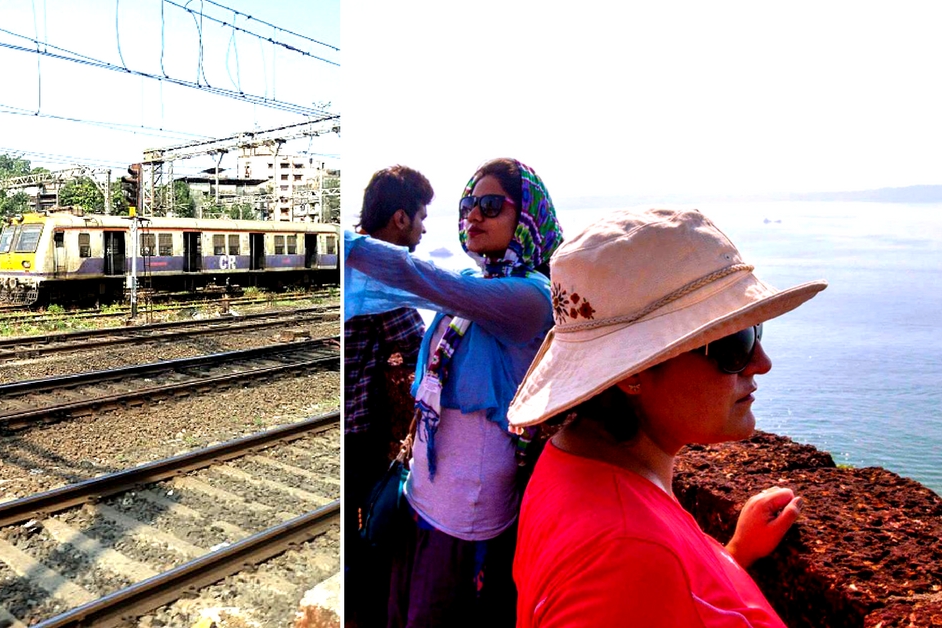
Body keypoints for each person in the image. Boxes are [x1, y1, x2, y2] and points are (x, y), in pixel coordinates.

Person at [507, 207, 827, 627]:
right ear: (634, 372)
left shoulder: (576, 468)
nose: (761, 363)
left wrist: (730, 558)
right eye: (734, 342)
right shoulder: (627, 555)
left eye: (755, 331)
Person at [345, 158, 563, 627]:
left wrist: (337, 247)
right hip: (423, 498)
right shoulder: (473, 288)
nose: (473, 216)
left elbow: (423, 281)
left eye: (490, 205)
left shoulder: (529, 298)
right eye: (468, 205)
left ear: (526, 216)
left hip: (468, 510)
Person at [344, 165, 434, 628]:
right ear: (400, 217)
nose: (423, 229)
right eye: (421, 217)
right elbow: (420, 345)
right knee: (370, 537)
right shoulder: (381, 270)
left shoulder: (351, 256)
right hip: (358, 433)